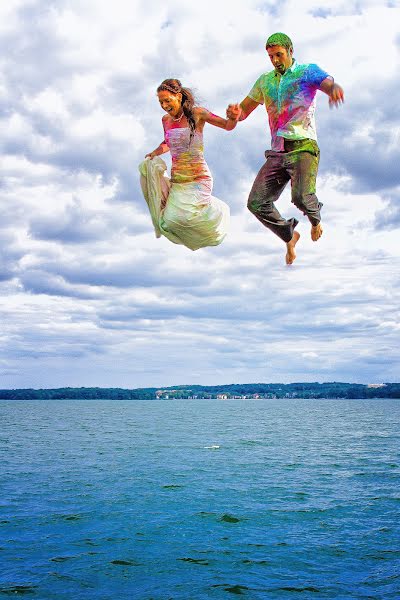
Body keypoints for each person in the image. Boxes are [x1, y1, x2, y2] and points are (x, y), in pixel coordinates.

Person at [226, 32, 344, 264]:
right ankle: (290, 236)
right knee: (256, 203)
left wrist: (334, 89)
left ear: (291, 51)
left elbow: (328, 83)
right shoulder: (264, 81)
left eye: (279, 55)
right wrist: (235, 113)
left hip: (304, 147)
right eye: (271, 56)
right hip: (278, 151)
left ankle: (315, 219)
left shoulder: (306, 71)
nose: (276, 60)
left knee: (301, 197)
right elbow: (244, 110)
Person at [139, 78, 240, 251]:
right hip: (179, 180)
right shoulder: (165, 120)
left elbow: (227, 126)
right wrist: (156, 152)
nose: (164, 105)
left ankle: (219, 210)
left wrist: (233, 118)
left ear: (178, 96)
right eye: (160, 102)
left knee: (187, 218)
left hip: (198, 179)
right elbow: (168, 141)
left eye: (167, 100)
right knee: (170, 221)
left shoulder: (198, 113)